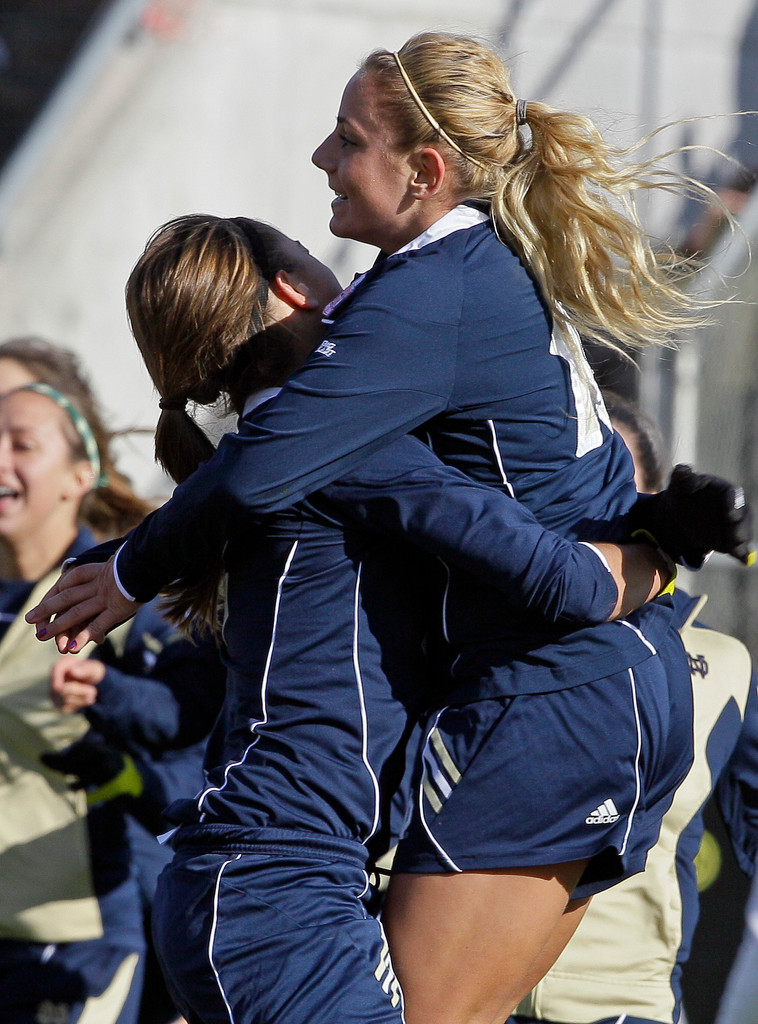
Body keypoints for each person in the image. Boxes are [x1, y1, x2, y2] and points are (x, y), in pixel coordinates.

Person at [25, 33, 754, 1024]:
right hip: (318, 863)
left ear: (425, 171)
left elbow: (545, 566)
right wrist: (652, 547)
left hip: (490, 740)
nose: (322, 159)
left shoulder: (383, 364)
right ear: (296, 292)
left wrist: (130, 565)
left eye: (345, 138)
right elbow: (567, 575)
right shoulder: (368, 413)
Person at [506, 391, 758, 1024]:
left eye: (613, 486)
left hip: (625, 1007)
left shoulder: (726, 665)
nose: (588, 510)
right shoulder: (455, 641)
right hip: (454, 995)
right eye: (566, 480)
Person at [0, 339, 223, 1024]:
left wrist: (105, 691)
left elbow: (193, 718)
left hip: (78, 936)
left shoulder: (126, 592)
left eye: (21, 442)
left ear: (80, 473)